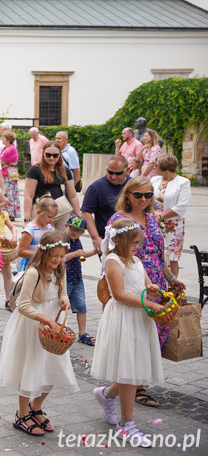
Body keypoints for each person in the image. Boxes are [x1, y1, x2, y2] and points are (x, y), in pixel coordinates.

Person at [106, 176, 186, 408]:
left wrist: (171, 278)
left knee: (155, 334)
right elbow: (111, 255)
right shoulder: (118, 219)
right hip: (132, 283)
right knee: (136, 336)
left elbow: (158, 254)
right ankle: (136, 386)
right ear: (128, 194)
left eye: (148, 195)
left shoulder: (152, 218)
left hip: (154, 282)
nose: (143, 199)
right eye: (139, 194)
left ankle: (136, 382)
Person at [0, 231, 77, 438]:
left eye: (62, 256)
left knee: (53, 367)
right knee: (30, 368)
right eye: (55, 256)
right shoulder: (33, 273)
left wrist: (64, 299)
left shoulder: (60, 269)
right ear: (43, 252)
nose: (58, 260)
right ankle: (22, 413)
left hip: (52, 325)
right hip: (33, 324)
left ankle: (36, 406)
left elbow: (62, 291)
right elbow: (23, 306)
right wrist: (47, 320)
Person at [92, 218, 165, 447]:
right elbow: (120, 295)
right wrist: (149, 304)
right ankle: (126, 424)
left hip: (139, 318)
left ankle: (106, 394)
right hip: (123, 317)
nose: (137, 246)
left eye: (138, 243)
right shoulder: (113, 261)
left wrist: (153, 292)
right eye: (133, 242)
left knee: (132, 367)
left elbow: (146, 288)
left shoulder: (136, 260)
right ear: (120, 240)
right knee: (130, 369)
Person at [23, 141, 79, 232]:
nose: (51, 158)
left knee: (61, 239)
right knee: (45, 239)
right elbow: (28, 196)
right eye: (48, 155)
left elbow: (73, 196)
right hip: (43, 211)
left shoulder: (65, 170)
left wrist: (78, 217)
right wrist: (26, 219)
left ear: (60, 155)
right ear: (43, 154)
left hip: (61, 210)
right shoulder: (35, 170)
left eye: (55, 155)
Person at [151, 154, 191, 278]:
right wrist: (152, 215)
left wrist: (161, 217)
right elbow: (148, 199)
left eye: (156, 165)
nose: (154, 167)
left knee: (173, 256)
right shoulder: (154, 180)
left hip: (172, 225)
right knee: (154, 253)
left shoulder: (183, 182)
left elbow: (181, 206)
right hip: (153, 221)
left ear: (164, 167)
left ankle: (173, 286)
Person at [81, 154, 129, 255]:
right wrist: (95, 237)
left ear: (127, 170)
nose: (113, 176)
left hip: (131, 238)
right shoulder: (96, 187)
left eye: (118, 173)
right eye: (110, 172)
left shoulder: (133, 185)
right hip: (107, 240)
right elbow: (86, 212)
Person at [61, 215, 97, 345]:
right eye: (73, 229)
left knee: (81, 307)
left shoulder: (77, 241)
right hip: (65, 280)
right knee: (61, 307)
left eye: (79, 231)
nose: (75, 233)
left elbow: (82, 253)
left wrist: (94, 251)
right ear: (66, 226)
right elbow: (60, 258)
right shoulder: (62, 240)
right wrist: (75, 254)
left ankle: (82, 333)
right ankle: (57, 329)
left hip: (77, 279)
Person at [16, 197, 57, 273]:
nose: (52, 220)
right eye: (49, 217)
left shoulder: (50, 228)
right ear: (38, 212)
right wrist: (41, 255)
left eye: (53, 217)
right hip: (30, 266)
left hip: (44, 266)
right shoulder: (30, 230)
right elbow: (21, 251)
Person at [0, 131, 21, 220]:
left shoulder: (12, 149)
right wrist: (2, 163)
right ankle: (8, 212)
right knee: (8, 191)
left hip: (9, 174)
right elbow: (1, 160)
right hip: (5, 172)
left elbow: (2, 160)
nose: (2, 139)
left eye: (3, 138)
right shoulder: (5, 148)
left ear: (8, 140)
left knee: (10, 193)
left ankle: (10, 213)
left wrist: (2, 163)